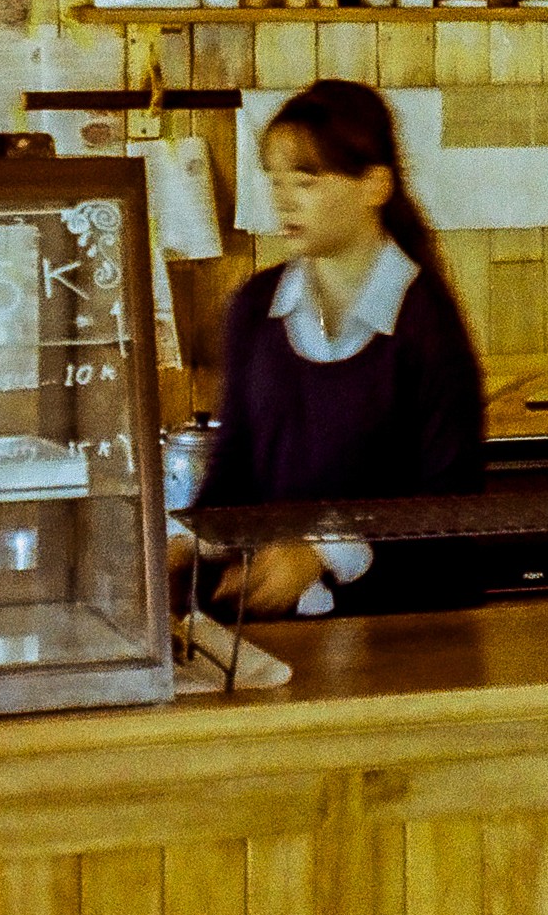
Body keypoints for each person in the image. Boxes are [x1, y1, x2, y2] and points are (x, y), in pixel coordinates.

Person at [190, 79, 485, 616]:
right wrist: (186, 541)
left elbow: (448, 511)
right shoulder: (256, 307)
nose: (281, 198)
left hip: (408, 637)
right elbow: (232, 469)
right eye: (274, 179)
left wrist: (320, 554)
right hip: (275, 632)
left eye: (305, 179)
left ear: (375, 185)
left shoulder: (426, 324)